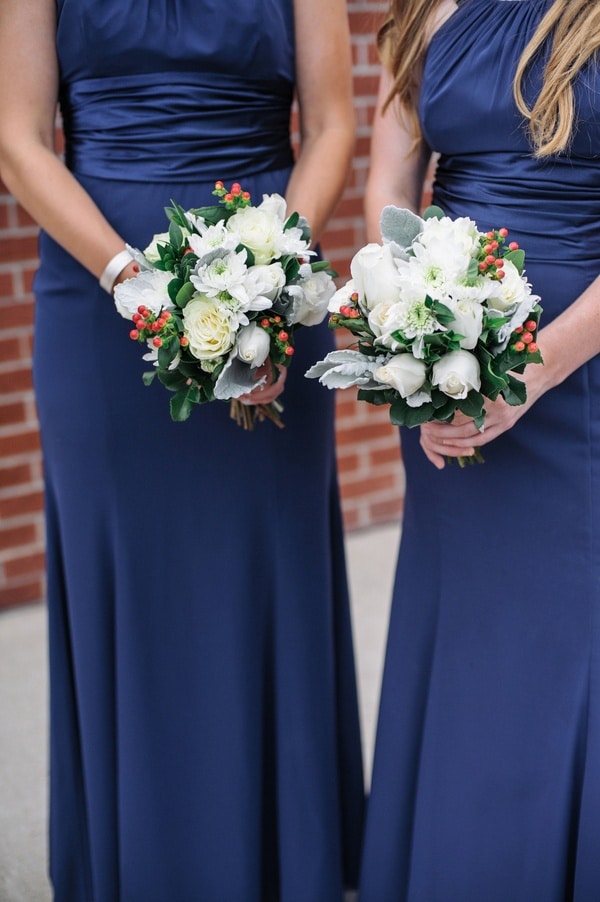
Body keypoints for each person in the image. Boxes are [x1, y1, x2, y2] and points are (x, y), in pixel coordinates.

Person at [0, 1, 365, 900]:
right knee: (129, 574)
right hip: (99, 302)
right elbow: (18, 138)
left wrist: (272, 275)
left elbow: (329, 126)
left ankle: (288, 859)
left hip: (268, 293)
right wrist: (126, 277)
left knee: (266, 569)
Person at [359, 0, 600, 899]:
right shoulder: (425, 6)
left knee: (568, 639)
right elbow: (392, 180)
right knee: (467, 632)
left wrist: (532, 372)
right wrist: (402, 346)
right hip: (445, 377)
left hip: (578, 380)